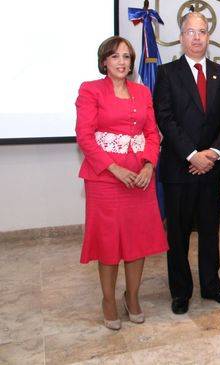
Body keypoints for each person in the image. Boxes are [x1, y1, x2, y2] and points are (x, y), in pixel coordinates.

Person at [75, 36, 168, 330]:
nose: (122, 62)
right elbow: (85, 137)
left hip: (140, 177)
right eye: (115, 56)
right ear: (104, 61)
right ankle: (108, 300)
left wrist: (150, 166)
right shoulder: (90, 90)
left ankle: (133, 297)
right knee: (108, 241)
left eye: (127, 57)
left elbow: (153, 134)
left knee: (137, 240)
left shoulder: (142, 92)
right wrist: (114, 169)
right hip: (105, 178)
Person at [153, 11, 220, 315]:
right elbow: (165, 118)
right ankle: (181, 290)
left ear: (209, 36)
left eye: (202, 31)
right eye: (191, 31)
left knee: (210, 231)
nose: (197, 37)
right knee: (177, 234)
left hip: (212, 168)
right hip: (179, 167)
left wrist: (213, 153)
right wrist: (192, 154)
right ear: (181, 36)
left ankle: (211, 284)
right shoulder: (166, 73)